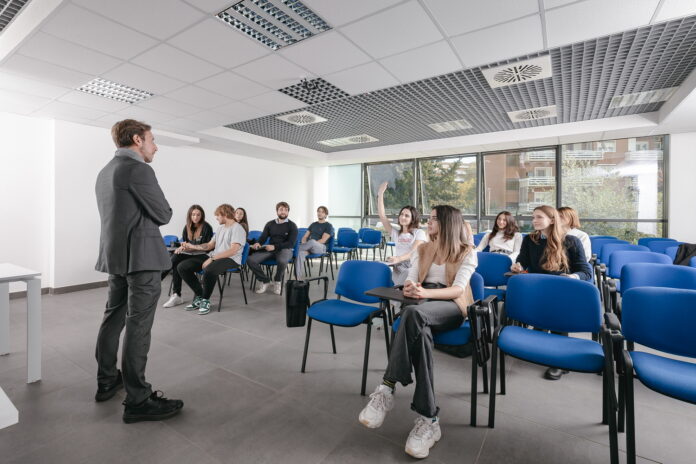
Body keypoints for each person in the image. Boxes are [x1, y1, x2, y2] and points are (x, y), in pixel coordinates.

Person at [359, 205, 477, 459]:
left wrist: (425, 293)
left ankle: (388, 385)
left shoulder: (468, 252)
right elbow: (411, 279)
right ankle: (429, 418)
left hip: (449, 306)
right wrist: (412, 288)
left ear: (448, 223)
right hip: (420, 304)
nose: (428, 222)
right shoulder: (423, 249)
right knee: (418, 328)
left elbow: (457, 290)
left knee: (412, 314)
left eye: (434, 219)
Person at [94, 119, 183, 423]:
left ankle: (107, 380)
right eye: (152, 140)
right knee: (138, 325)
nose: (155, 146)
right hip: (141, 259)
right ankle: (138, 399)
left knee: (113, 316)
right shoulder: (138, 169)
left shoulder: (105, 172)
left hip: (116, 257)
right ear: (137, 140)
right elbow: (164, 212)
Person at [510, 205, 592, 381]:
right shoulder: (530, 240)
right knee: (540, 317)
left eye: (539, 217)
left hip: (560, 292)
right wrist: (518, 266)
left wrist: (572, 277)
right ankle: (542, 341)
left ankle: (559, 362)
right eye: (533, 217)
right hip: (537, 290)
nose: (534, 221)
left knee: (556, 308)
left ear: (552, 220)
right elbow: (522, 260)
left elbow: (586, 271)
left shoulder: (571, 241)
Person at [177, 204, 246, 315]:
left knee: (210, 269)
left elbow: (233, 250)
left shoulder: (237, 228)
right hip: (215, 257)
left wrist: (212, 258)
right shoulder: (220, 228)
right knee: (182, 267)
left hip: (231, 259)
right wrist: (192, 246)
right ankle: (199, 295)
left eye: (218, 215)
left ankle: (205, 300)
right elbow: (209, 246)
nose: (216, 218)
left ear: (224, 215)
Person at [162, 205, 214, 308]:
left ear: (202, 215)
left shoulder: (207, 227)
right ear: (189, 215)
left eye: (198, 215)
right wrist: (182, 247)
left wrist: (191, 247)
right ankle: (176, 295)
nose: (195, 217)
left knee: (178, 263)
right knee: (176, 256)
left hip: (204, 256)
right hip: (190, 254)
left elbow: (208, 248)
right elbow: (185, 243)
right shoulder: (187, 227)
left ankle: (157, 281)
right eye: (193, 214)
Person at [377, 181, 426, 285]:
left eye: (407, 215)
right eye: (401, 214)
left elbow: (414, 252)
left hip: (413, 268)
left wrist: (398, 258)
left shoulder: (419, 233)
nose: (403, 217)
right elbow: (382, 216)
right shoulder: (396, 233)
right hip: (398, 266)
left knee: (402, 291)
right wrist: (380, 194)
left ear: (413, 219)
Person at [248, 202, 298, 295]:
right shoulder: (270, 224)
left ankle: (277, 281)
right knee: (251, 259)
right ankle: (265, 281)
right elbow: (263, 237)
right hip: (270, 249)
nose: (283, 212)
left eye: (285, 210)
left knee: (282, 261)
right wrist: (258, 243)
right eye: (281, 209)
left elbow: (290, 243)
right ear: (277, 211)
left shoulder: (292, 225)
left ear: (288, 212)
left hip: (285, 249)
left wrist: (275, 246)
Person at [295, 206, 334, 280]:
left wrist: (309, 244)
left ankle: (293, 249)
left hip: (321, 247)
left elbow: (323, 240)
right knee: (300, 253)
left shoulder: (328, 226)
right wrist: (304, 243)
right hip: (309, 248)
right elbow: (304, 237)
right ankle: (298, 277)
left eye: (322, 212)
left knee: (312, 242)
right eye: (319, 211)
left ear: (325, 215)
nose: (320, 213)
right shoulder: (313, 224)